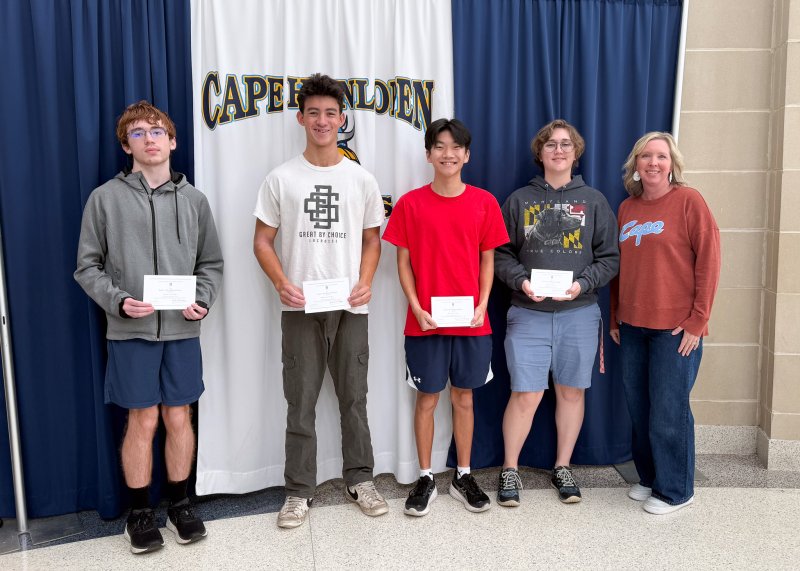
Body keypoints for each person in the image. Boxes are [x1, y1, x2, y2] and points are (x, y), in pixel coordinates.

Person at [75, 101, 224, 553]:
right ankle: (139, 512)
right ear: (126, 145)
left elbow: (211, 264)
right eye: (138, 133)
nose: (150, 139)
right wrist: (119, 301)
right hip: (131, 332)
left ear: (173, 141)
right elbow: (87, 267)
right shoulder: (105, 198)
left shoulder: (195, 200)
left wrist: (201, 300)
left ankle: (180, 503)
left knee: (179, 415)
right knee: (142, 418)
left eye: (157, 131)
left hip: (181, 332)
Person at [253, 73, 388, 529]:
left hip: (351, 307)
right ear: (301, 118)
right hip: (300, 307)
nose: (322, 120)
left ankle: (360, 479)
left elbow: (374, 241)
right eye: (314, 112)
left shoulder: (361, 179)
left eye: (330, 113)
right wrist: (280, 283)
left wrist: (365, 281)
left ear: (342, 119)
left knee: (355, 398)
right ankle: (298, 491)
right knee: (300, 401)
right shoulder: (281, 178)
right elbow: (262, 241)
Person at [383, 118, 509, 516]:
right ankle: (425, 477)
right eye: (440, 146)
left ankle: (463, 475)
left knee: (464, 398)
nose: (448, 154)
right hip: (425, 323)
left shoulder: (484, 202)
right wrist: (417, 307)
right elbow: (402, 262)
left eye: (456, 147)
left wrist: (482, 304)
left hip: (472, 322)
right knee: (427, 398)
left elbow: (488, 260)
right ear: (428, 154)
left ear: (467, 155)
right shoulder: (410, 203)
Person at [494, 119, 619, 506]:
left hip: (579, 313)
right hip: (528, 312)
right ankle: (509, 470)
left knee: (571, 391)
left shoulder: (595, 201)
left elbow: (609, 258)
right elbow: (500, 253)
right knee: (526, 393)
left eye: (566, 144)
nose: (559, 150)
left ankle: (562, 466)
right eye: (551, 144)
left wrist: (583, 283)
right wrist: (520, 281)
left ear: (576, 152)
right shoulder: (518, 200)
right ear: (541, 153)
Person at [610, 132, 720, 515]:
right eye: (645, 156)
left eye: (661, 156)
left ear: (671, 163)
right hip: (633, 326)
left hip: (676, 329)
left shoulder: (689, 202)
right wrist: (615, 316)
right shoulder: (626, 208)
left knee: (668, 412)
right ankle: (651, 478)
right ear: (635, 165)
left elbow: (709, 261)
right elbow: (619, 268)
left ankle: (676, 489)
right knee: (640, 409)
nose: (653, 163)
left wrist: (697, 320)